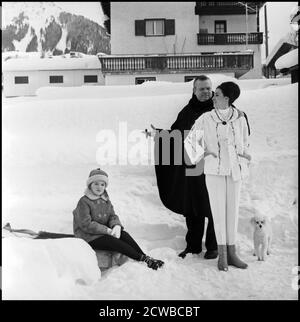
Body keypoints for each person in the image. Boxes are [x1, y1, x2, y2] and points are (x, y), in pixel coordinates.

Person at [148, 75, 219, 259]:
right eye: (201, 89)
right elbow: (176, 135)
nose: (205, 92)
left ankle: (213, 246)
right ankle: (193, 245)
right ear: (194, 91)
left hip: (214, 167)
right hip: (193, 167)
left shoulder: (221, 108)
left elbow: (236, 127)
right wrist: (160, 136)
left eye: (208, 88)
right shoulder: (187, 112)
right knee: (193, 206)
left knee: (214, 208)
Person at [185, 81, 251, 271]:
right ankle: (222, 255)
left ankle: (232, 253)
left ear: (227, 98)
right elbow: (190, 144)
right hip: (214, 172)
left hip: (235, 171)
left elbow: (246, 142)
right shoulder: (205, 118)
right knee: (218, 212)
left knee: (233, 212)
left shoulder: (240, 118)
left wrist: (245, 157)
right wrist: (204, 153)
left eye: (217, 94)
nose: (213, 97)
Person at [73, 168, 164, 270]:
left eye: (102, 184)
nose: (99, 187)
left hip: (104, 232)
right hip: (89, 236)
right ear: (90, 185)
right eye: (96, 184)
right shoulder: (84, 201)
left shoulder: (105, 199)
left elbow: (112, 215)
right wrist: (106, 230)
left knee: (123, 234)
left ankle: (146, 257)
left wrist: (116, 226)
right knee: (114, 242)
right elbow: (86, 224)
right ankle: (141, 258)